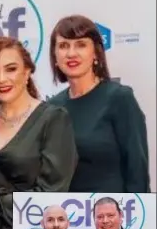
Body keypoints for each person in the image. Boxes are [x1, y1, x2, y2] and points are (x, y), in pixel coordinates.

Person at [0, 36, 78, 229]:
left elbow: (51, 195)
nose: (1, 79)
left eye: (11, 69)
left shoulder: (54, 119)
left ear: (27, 70)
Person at [48, 15, 150, 193]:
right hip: (65, 216)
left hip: (112, 216)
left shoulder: (119, 98)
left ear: (95, 52)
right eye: (64, 46)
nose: (71, 53)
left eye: (81, 44)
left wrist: (140, 214)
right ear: (55, 56)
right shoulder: (51, 107)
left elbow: (137, 169)